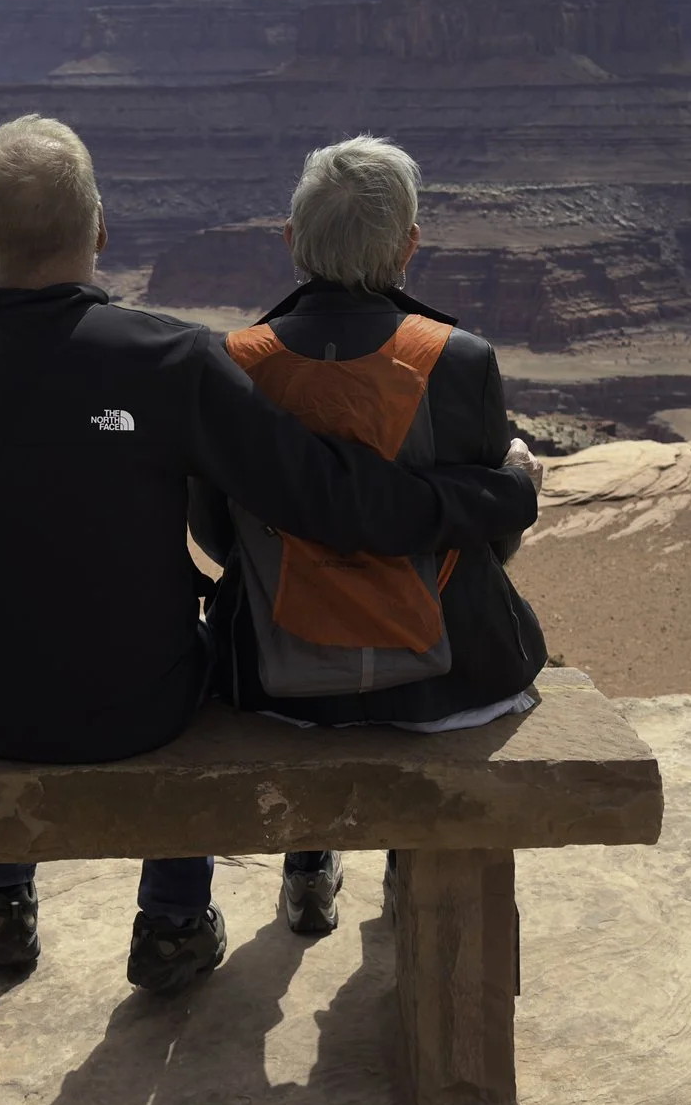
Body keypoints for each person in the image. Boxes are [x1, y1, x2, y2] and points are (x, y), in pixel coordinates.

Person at [0, 115, 538, 997]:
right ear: (100, 230)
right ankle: (176, 913)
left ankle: (2, 891)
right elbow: (330, 500)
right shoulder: (167, 363)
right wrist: (499, 492)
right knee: (195, 657)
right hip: (139, 707)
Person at [190, 136, 549, 937]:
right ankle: (402, 867)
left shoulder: (236, 366)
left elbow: (216, 533)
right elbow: (487, 538)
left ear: (291, 242)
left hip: (276, 686)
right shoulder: (460, 362)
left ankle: (309, 861)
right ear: (410, 245)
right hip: (448, 684)